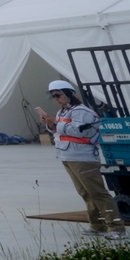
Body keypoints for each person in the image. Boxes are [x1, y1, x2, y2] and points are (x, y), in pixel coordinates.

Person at [39, 80, 123, 238]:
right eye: (53, 96)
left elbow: (81, 131)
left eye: (58, 95)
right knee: (86, 193)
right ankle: (98, 226)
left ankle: (116, 227)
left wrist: (55, 122)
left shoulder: (81, 111)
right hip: (68, 156)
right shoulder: (63, 112)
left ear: (68, 94)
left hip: (83, 158)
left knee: (97, 193)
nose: (56, 99)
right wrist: (50, 124)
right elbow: (60, 132)